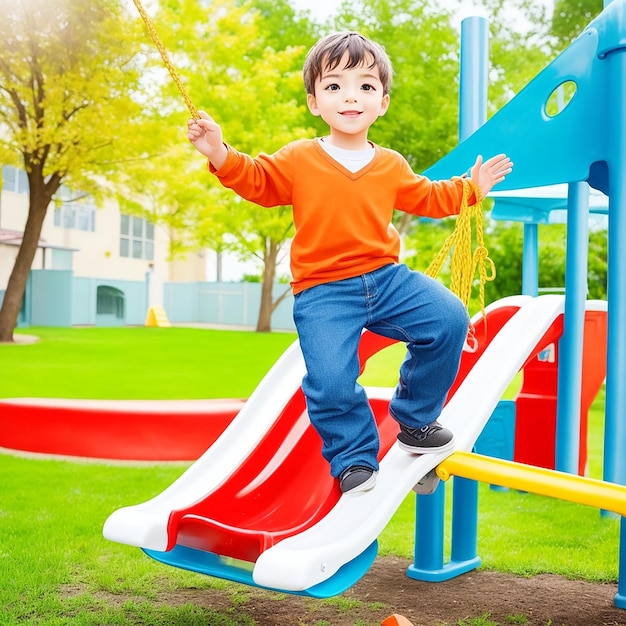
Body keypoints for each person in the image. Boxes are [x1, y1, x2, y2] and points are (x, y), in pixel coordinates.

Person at [187, 31, 513, 494]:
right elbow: (257, 181)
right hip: (323, 291)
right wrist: (219, 152)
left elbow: (429, 196)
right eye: (334, 86)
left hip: (386, 278)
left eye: (364, 86)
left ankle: (416, 420)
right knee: (331, 381)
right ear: (314, 101)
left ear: (382, 101)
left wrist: (471, 188)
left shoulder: (390, 164)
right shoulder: (300, 157)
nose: (350, 97)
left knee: (447, 317)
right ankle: (354, 458)